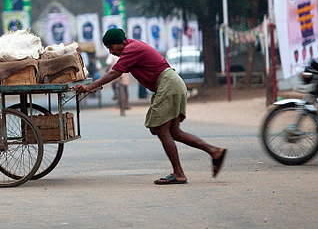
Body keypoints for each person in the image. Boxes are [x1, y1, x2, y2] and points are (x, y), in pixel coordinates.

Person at [75, 28, 227, 185]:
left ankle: (179, 173)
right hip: (173, 83)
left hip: (168, 85)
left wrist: (89, 87)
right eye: (108, 48)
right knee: (174, 132)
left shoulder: (131, 49)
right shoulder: (132, 47)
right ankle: (214, 151)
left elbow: (114, 73)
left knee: (161, 129)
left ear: (121, 43)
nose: (111, 52)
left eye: (111, 47)